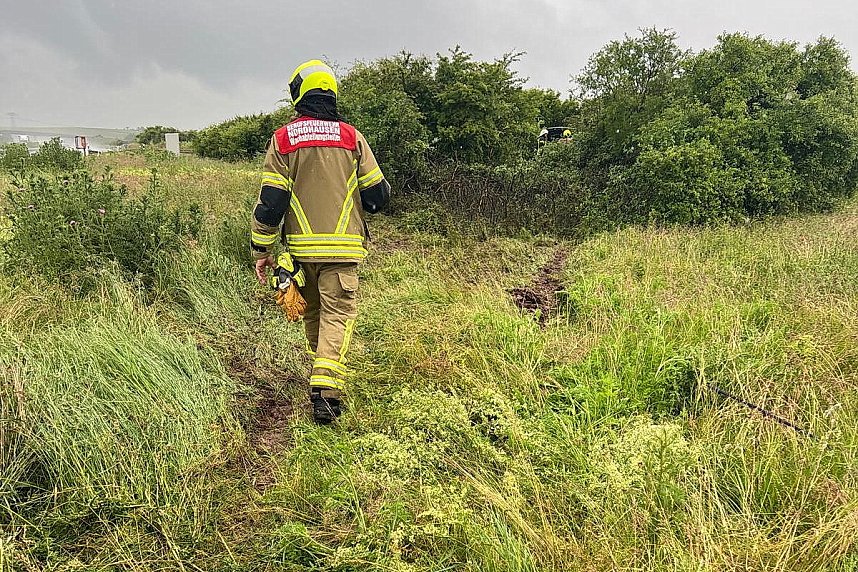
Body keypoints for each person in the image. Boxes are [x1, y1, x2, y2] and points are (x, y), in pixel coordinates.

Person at [250, 59, 390, 424]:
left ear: (298, 94)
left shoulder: (283, 140)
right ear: (331, 92)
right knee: (338, 315)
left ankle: (321, 376)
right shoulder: (351, 137)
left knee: (314, 313)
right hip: (343, 250)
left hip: (299, 251)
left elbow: (270, 203)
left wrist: (261, 249)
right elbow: (378, 196)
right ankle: (326, 392)